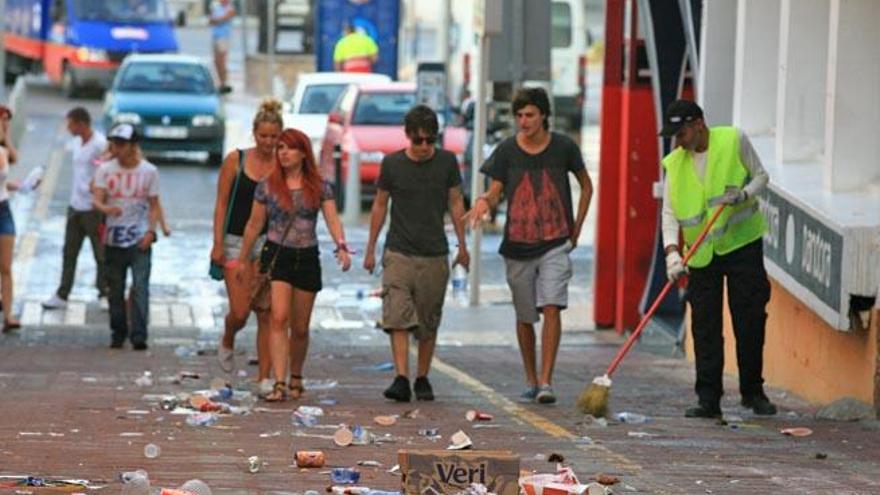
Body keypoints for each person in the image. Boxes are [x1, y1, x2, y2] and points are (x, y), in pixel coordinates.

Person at [464, 87, 593, 405]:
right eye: (519, 115)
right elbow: (496, 189)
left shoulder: (563, 146)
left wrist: (576, 228)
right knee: (525, 315)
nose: (524, 121)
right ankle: (531, 378)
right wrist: (484, 201)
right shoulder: (507, 151)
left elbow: (586, 185)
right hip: (517, 245)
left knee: (551, 305)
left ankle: (547, 380)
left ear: (544, 116)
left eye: (530, 115)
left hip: (555, 241)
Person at [658, 99, 775, 418]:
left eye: (680, 133)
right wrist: (672, 253)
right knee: (705, 326)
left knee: (749, 319)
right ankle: (708, 399)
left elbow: (762, 176)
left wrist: (744, 195)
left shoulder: (733, 140)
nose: (677, 141)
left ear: (698, 124)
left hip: (742, 246)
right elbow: (669, 215)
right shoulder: (674, 163)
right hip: (700, 255)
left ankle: (753, 392)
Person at [364, 105, 469, 402]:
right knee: (397, 314)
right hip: (399, 251)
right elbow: (380, 205)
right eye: (418, 140)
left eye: (429, 140)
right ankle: (401, 377)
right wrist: (371, 249)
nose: (424, 147)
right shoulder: (392, 164)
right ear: (408, 136)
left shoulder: (447, 163)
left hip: (435, 252)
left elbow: (456, 203)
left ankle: (422, 376)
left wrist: (463, 247)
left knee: (427, 320)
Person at [236, 128, 351, 402]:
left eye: (289, 148)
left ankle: (296, 375)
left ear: (303, 153)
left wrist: (341, 246)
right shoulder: (267, 185)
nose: (283, 153)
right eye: (280, 148)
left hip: (307, 256)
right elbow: (254, 223)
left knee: (300, 327)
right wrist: (242, 260)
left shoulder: (319, 186)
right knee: (278, 317)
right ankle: (279, 381)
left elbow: (332, 219)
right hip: (278, 254)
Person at [211, 99, 282, 381]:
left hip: (269, 242)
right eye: (263, 136)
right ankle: (228, 336)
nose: (268, 142)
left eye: (274, 137)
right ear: (254, 133)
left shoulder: (282, 163)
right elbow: (221, 203)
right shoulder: (235, 161)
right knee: (240, 311)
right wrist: (217, 243)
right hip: (234, 240)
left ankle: (265, 378)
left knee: (266, 313)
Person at [93, 124, 161, 350]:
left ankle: (139, 335)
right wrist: (106, 209)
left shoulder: (149, 172)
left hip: (140, 238)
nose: (117, 148)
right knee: (115, 287)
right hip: (114, 238)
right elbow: (97, 199)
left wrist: (151, 232)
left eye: (121, 144)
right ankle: (118, 331)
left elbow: (154, 205)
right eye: (114, 143)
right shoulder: (105, 170)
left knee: (140, 286)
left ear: (133, 146)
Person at [42, 107, 109, 310]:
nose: (68, 128)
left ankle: (104, 291)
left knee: (100, 253)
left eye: (70, 124)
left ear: (81, 123)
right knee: (69, 252)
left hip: (93, 208)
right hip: (75, 206)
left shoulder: (99, 144)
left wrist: (97, 186)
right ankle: (63, 293)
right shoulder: (77, 143)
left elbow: (106, 166)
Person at [0, 105, 21, 332]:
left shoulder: (3, 151)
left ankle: (8, 314)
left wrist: (6, 136)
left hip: (3, 209)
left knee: (5, 266)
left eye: (7, 121)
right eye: (2, 120)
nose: (5, 124)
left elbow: (15, 157)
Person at [209, 0, 236, 93]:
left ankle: (224, 83)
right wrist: (216, 20)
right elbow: (211, 20)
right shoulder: (216, 7)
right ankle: (220, 82)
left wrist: (217, 20)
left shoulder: (230, 8)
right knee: (216, 61)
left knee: (222, 61)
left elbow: (223, 19)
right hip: (215, 36)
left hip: (224, 37)